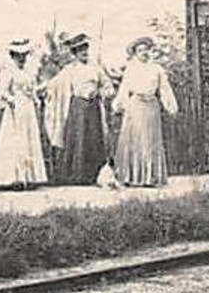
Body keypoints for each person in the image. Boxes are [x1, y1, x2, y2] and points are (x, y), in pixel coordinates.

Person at [42, 33, 115, 185]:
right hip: (77, 107)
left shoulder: (96, 68)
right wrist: (43, 88)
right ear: (74, 53)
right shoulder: (70, 69)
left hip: (93, 107)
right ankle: (76, 175)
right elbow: (54, 84)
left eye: (85, 49)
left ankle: (94, 174)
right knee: (78, 139)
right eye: (80, 50)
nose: (84, 53)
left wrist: (100, 92)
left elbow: (109, 87)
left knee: (94, 139)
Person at [111, 36, 179, 187]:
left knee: (150, 141)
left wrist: (170, 106)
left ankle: (151, 177)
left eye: (146, 49)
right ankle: (132, 176)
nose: (144, 53)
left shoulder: (157, 69)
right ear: (135, 53)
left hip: (151, 106)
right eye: (140, 50)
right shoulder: (131, 68)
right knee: (135, 139)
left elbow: (165, 89)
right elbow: (124, 89)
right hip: (135, 106)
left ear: (150, 51)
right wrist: (118, 104)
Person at [0, 38, 48, 189]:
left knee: (29, 139)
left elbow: (32, 90)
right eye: (18, 56)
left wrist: (36, 99)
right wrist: (11, 100)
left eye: (24, 56)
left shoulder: (28, 72)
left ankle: (30, 176)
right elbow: (2, 92)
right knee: (15, 142)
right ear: (13, 56)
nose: (22, 59)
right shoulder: (9, 72)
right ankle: (15, 178)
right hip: (15, 109)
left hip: (28, 109)